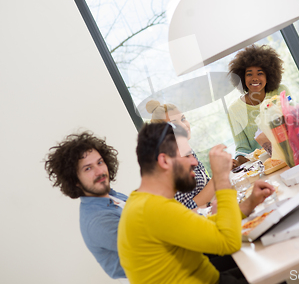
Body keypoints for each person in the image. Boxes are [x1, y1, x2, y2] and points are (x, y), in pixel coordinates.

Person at [117, 122, 275, 284]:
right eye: (187, 156)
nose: (194, 162)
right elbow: (229, 242)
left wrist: (247, 205)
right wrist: (220, 178)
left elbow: (203, 227)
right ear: (164, 161)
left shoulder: (145, 203)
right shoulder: (152, 209)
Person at [43, 132, 128, 281]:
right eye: (88, 168)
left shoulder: (111, 195)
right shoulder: (97, 221)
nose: (100, 171)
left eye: (100, 162)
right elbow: (150, 246)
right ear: (75, 180)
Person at [227, 44, 291, 167]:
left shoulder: (280, 91)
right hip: (265, 164)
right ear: (241, 77)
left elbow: (294, 122)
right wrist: (238, 161)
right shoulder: (234, 110)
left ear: (268, 75)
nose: (255, 78)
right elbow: (242, 147)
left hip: (291, 151)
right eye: (249, 74)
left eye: (260, 73)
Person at [146, 100, 214, 210]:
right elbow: (187, 208)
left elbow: (206, 183)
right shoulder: (169, 164)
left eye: (183, 119)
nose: (183, 125)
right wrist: (218, 176)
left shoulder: (186, 149)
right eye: (174, 123)